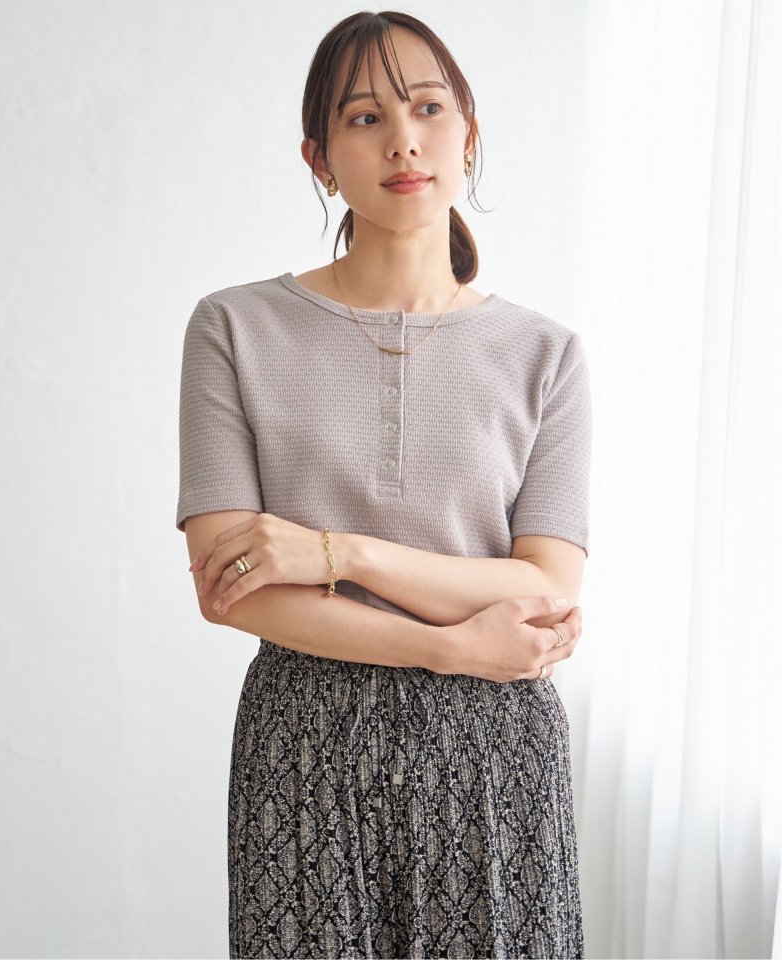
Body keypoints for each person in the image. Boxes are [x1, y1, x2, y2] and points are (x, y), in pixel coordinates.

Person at [176, 10, 591, 959]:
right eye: (365, 118)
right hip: (304, 750)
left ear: (469, 134)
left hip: (498, 753)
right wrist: (447, 646)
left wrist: (337, 553)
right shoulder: (232, 329)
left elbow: (544, 587)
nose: (404, 139)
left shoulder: (547, 355)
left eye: (429, 108)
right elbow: (232, 588)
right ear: (319, 159)